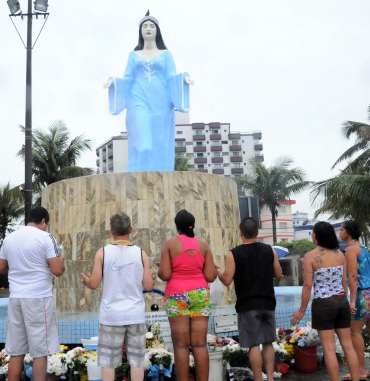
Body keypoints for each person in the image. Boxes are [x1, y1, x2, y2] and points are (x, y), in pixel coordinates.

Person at [106, 10, 192, 172]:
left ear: (157, 31)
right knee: (141, 139)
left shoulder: (166, 55)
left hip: (161, 100)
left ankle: (160, 175)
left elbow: (171, 76)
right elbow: (128, 78)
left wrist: (183, 80)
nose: (148, 28)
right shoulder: (133, 55)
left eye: (152, 26)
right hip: (138, 98)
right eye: (144, 26)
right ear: (140, 31)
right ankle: (138, 174)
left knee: (160, 139)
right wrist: (114, 83)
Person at [80, 213, 155, 381]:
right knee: (136, 362)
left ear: (111, 231)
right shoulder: (141, 253)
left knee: (108, 363)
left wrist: (86, 280)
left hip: (111, 316)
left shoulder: (103, 253)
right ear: (131, 230)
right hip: (135, 315)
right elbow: (149, 286)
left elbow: (94, 283)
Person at [0, 206, 65, 381]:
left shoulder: (10, 238)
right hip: (38, 297)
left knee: (16, 350)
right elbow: (57, 270)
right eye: (45, 224)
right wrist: (61, 258)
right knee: (40, 351)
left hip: (16, 297)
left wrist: (19, 266)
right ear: (43, 221)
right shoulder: (45, 237)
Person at [291, 221, 360, 381]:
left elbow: (308, 285)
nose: (312, 235)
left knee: (329, 350)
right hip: (341, 301)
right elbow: (345, 281)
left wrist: (301, 310)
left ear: (317, 235)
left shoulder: (310, 256)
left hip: (323, 304)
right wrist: (347, 300)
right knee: (348, 346)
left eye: (313, 232)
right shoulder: (340, 254)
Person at [217, 217, 283, 381]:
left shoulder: (234, 254)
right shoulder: (270, 250)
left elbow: (226, 280)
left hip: (248, 305)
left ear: (240, 233)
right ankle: (270, 378)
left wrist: (217, 270)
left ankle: (259, 379)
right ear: (257, 232)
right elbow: (279, 274)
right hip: (268, 303)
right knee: (268, 343)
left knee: (254, 344)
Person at [158, 209, 217, 381]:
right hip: (200, 295)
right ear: (193, 225)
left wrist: (160, 268)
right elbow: (210, 276)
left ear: (177, 226)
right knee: (200, 344)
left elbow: (166, 275)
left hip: (177, 295)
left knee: (181, 346)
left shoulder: (170, 244)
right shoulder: (203, 245)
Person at [340, 221, 370, 381]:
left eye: (342, 229)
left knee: (355, 331)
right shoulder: (363, 247)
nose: (340, 232)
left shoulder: (351, 249)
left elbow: (353, 276)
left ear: (349, 232)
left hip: (364, 293)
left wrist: (352, 300)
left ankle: (359, 370)